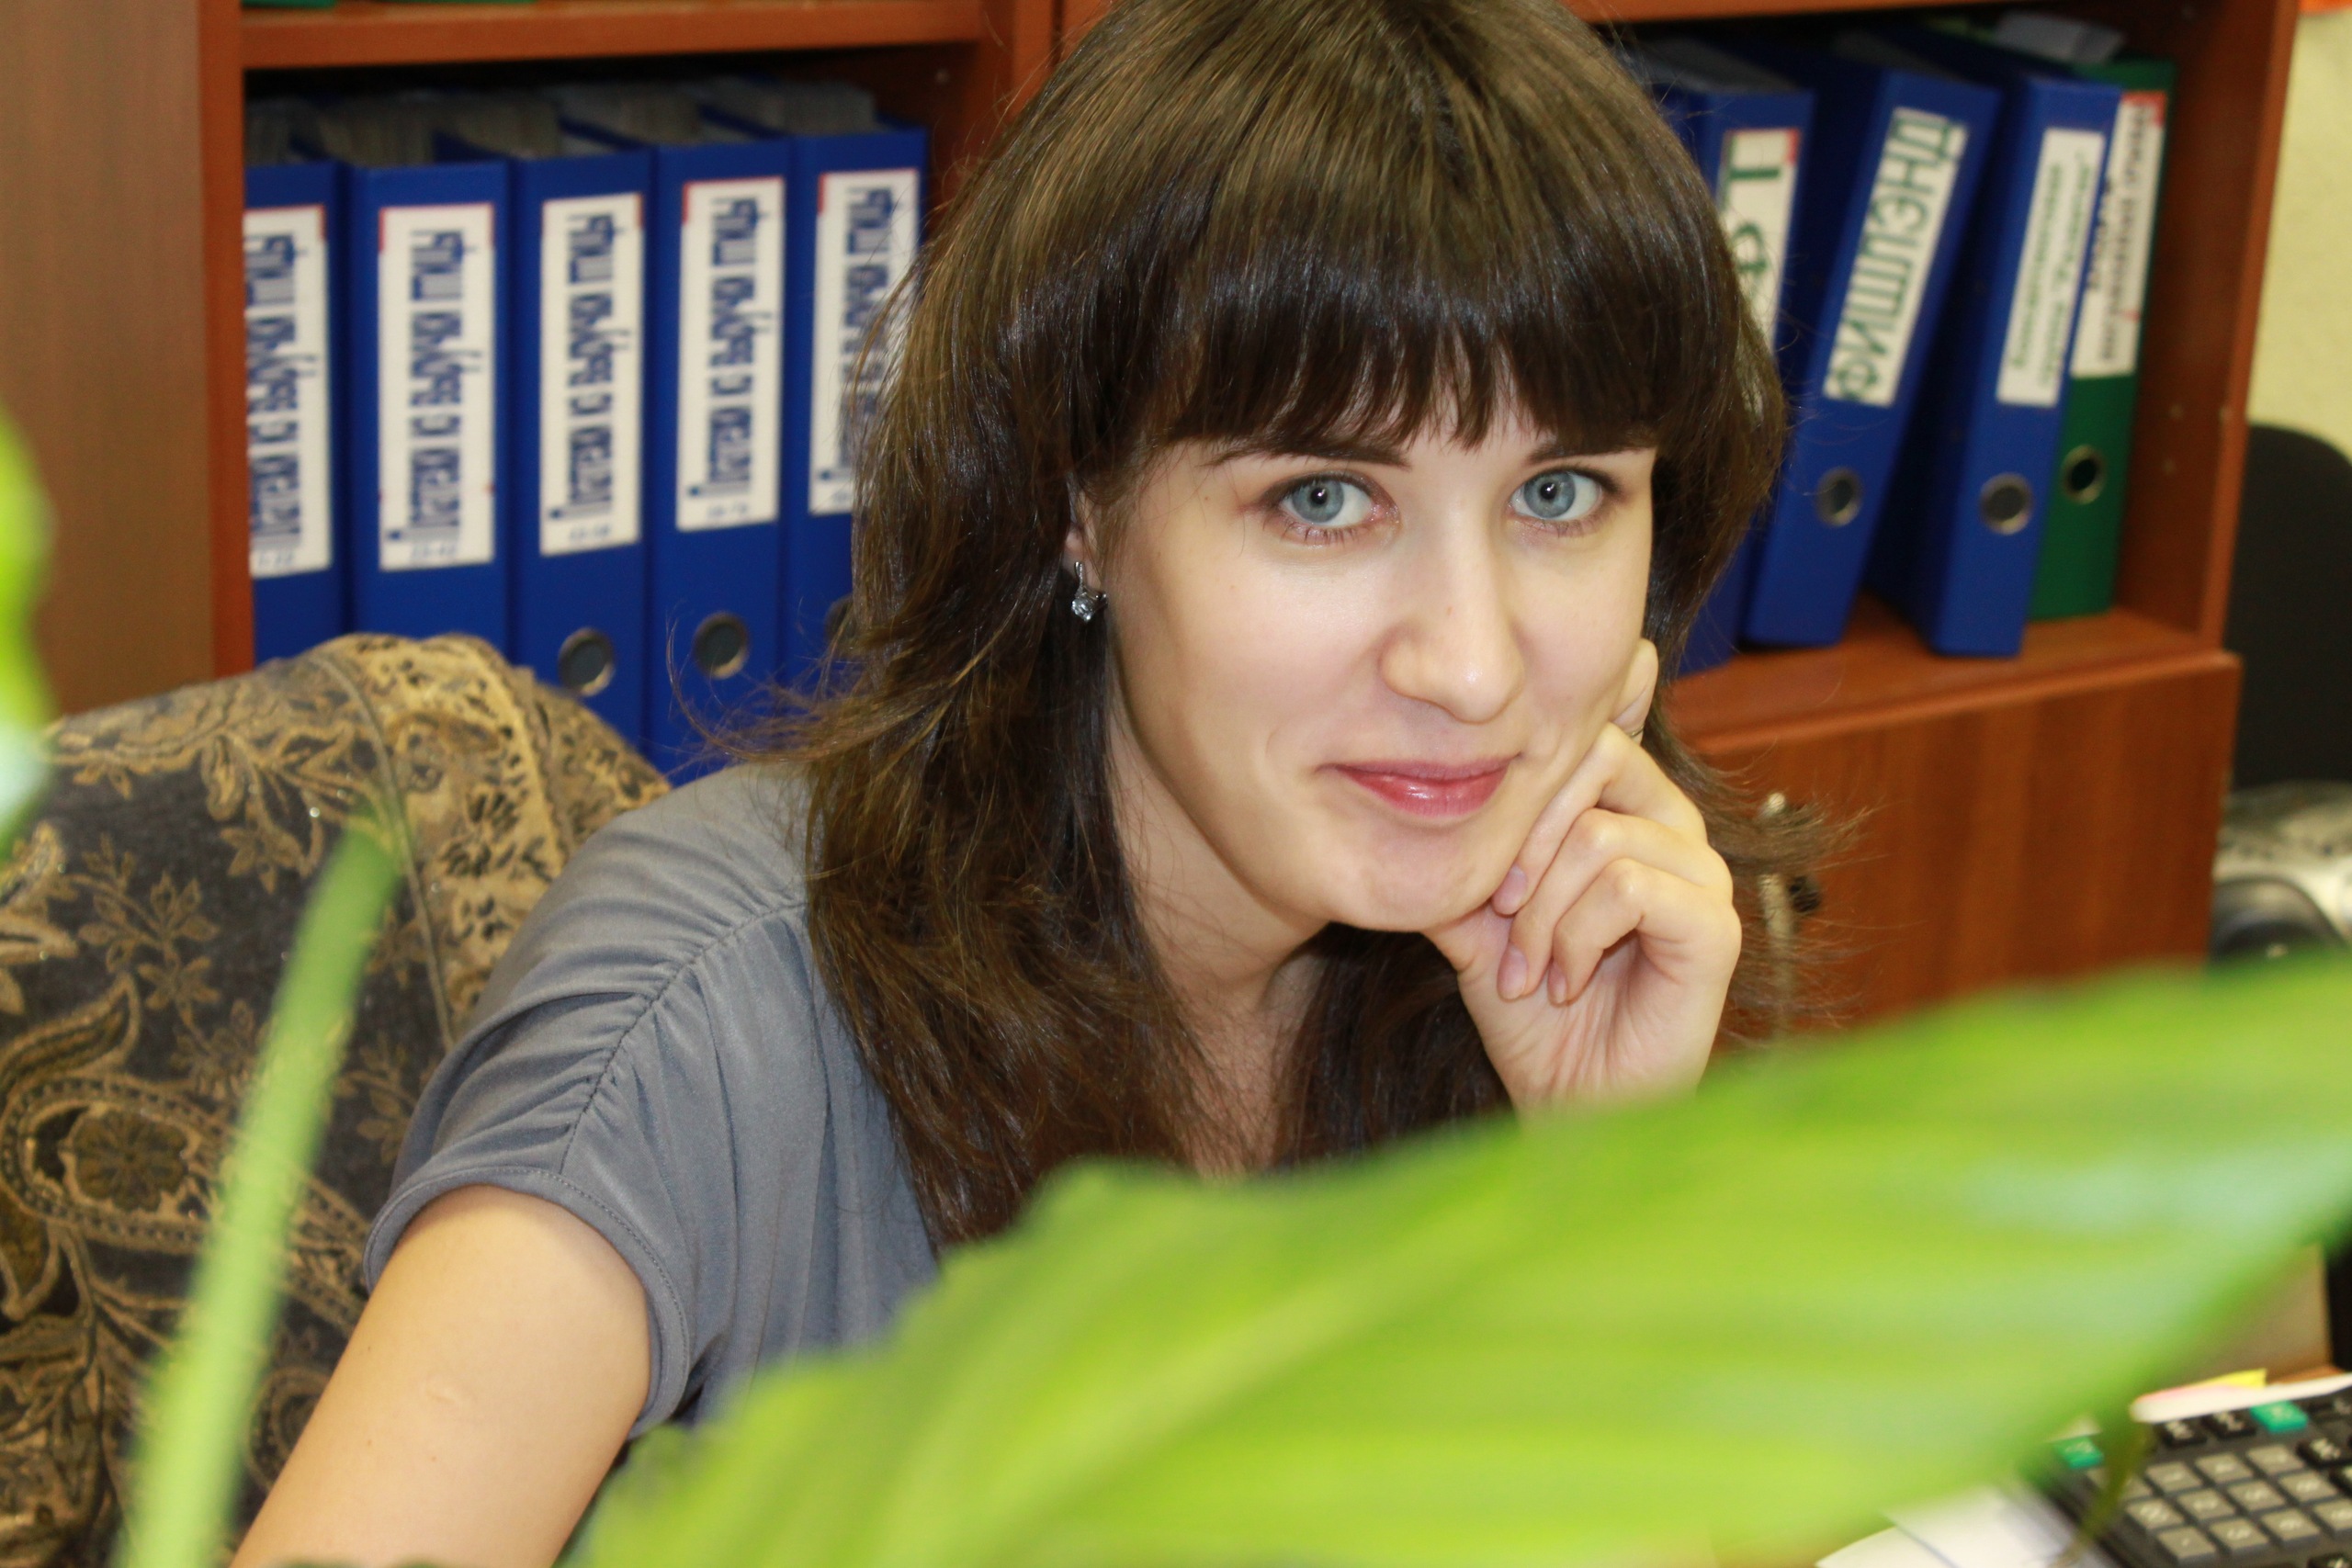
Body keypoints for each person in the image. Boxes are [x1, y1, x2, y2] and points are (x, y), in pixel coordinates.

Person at [233, 0, 1819, 1562]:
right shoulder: (705, 1026)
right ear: (1080, 508)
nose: (1469, 669)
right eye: (1325, 499)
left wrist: (1596, 1196)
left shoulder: (1505, 975)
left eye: (1561, 493)